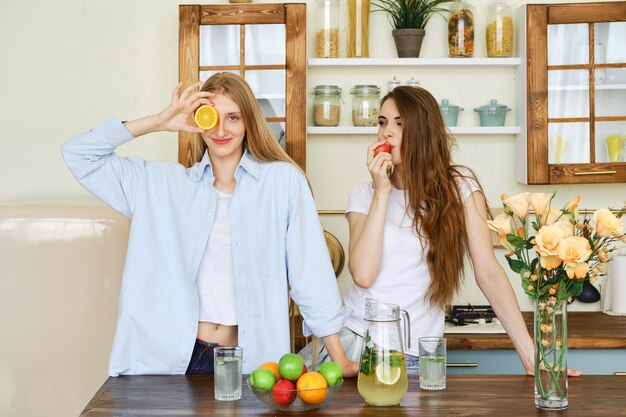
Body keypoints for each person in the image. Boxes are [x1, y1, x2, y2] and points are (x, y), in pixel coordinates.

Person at [62, 72, 359, 377]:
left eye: (233, 117)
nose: (220, 129)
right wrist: (159, 122)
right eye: (210, 117)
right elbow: (79, 155)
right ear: (197, 121)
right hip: (168, 359)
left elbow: (311, 275)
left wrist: (339, 358)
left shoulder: (282, 183)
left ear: (248, 122)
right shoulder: (161, 184)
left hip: (251, 360)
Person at [302, 86, 580, 376]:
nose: (386, 133)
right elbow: (363, 275)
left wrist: (530, 356)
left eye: (399, 123)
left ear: (423, 131)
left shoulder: (459, 187)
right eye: (382, 122)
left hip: (415, 355)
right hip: (355, 345)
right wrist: (382, 193)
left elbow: (488, 273)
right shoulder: (364, 195)